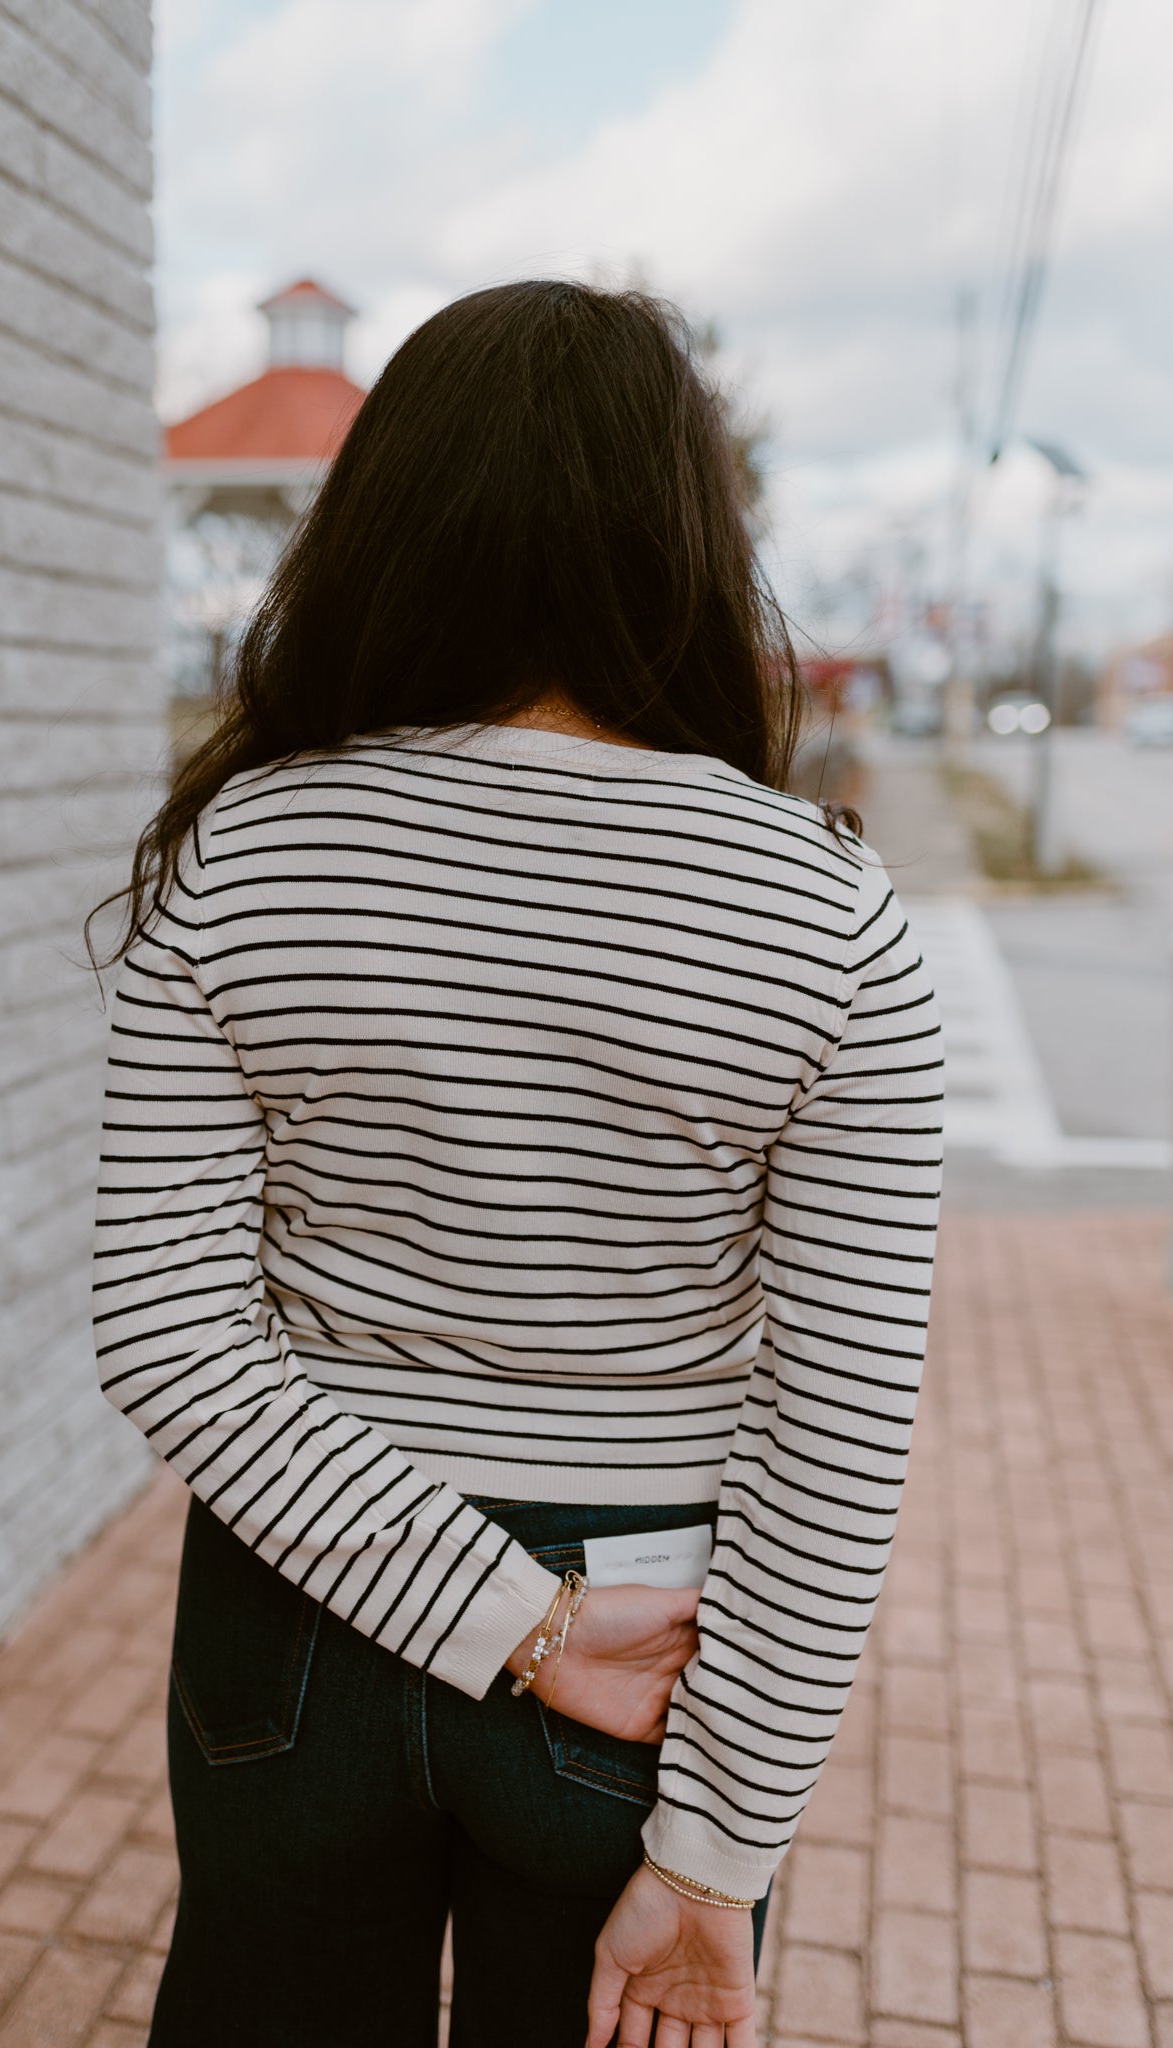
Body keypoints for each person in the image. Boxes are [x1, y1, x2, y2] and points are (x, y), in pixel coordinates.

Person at [89, 279, 943, 2047]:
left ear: (390, 516)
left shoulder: (247, 847)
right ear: (689, 537)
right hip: (657, 1629)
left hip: (296, 1599)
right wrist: (715, 1848)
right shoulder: (829, 917)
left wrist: (502, 1618)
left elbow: (166, 1336)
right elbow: (838, 1425)